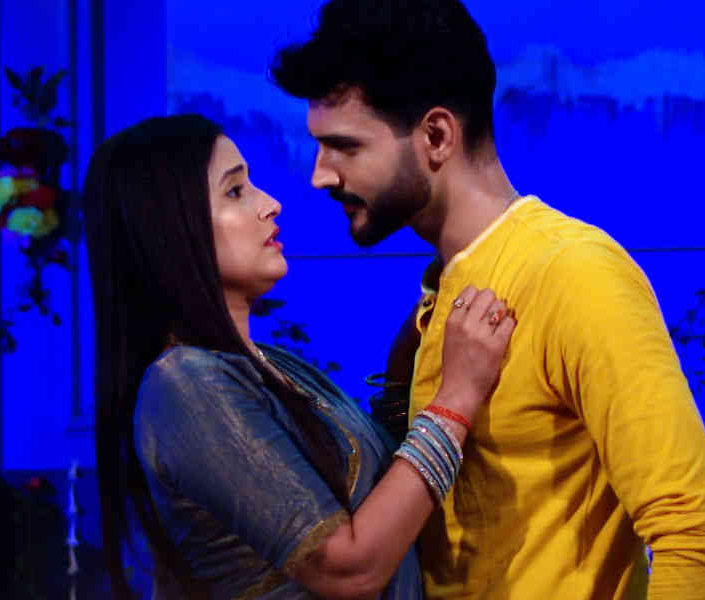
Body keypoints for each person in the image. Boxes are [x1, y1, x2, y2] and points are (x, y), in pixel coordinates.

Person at [270, 1, 705, 599]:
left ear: (436, 136)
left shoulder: (571, 272)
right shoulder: (441, 295)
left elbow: (693, 527)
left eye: (345, 146)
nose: (321, 175)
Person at [83, 114, 517, 600]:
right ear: (170, 231)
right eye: (235, 191)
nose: (271, 203)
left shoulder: (267, 364)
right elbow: (346, 570)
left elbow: (377, 492)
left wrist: (405, 368)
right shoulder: (184, 384)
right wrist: (456, 399)